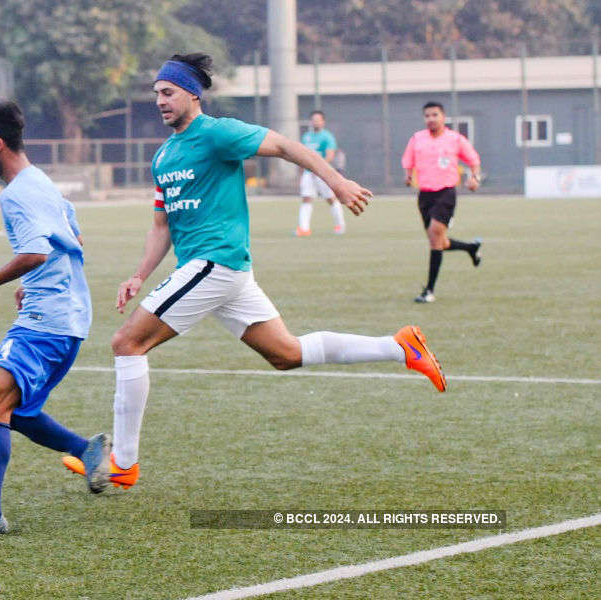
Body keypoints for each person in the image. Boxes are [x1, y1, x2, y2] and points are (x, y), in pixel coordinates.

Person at [62, 53, 447, 491]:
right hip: (223, 274)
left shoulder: (218, 133)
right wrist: (138, 275)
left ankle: (122, 464)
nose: (160, 101)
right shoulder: (164, 155)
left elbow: (284, 145)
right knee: (286, 354)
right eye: (156, 95)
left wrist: (335, 182)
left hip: (216, 262)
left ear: (192, 94)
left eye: (167, 93)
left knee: (126, 343)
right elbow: (161, 224)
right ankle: (400, 348)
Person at [0, 101, 110, 536]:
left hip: (47, 317)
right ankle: (85, 450)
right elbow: (74, 238)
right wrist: (33, 281)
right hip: (67, 314)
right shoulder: (42, 182)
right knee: (17, 409)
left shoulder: (15, 195)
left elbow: (37, 250)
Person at [402, 101, 483, 303]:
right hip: (425, 195)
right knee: (439, 241)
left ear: (443, 117)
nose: (431, 119)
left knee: (435, 235)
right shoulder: (417, 139)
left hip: (446, 193)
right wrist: (408, 175)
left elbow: (473, 160)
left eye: (434, 115)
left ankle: (429, 290)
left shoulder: (454, 139)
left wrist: (475, 178)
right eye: (427, 116)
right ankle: (471, 248)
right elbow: (408, 161)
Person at [297, 110, 345, 236]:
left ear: (323, 122)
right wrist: (302, 172)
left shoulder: (327, 137)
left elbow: (330, 156)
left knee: (330, 198)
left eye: (318, 120)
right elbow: (302, 155)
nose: (315, 122)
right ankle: (304, 228)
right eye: (313, 120)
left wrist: (317, 168)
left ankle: (340, 225)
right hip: (308, 173)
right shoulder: (306, 136)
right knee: (306, 198)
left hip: (322, 173)